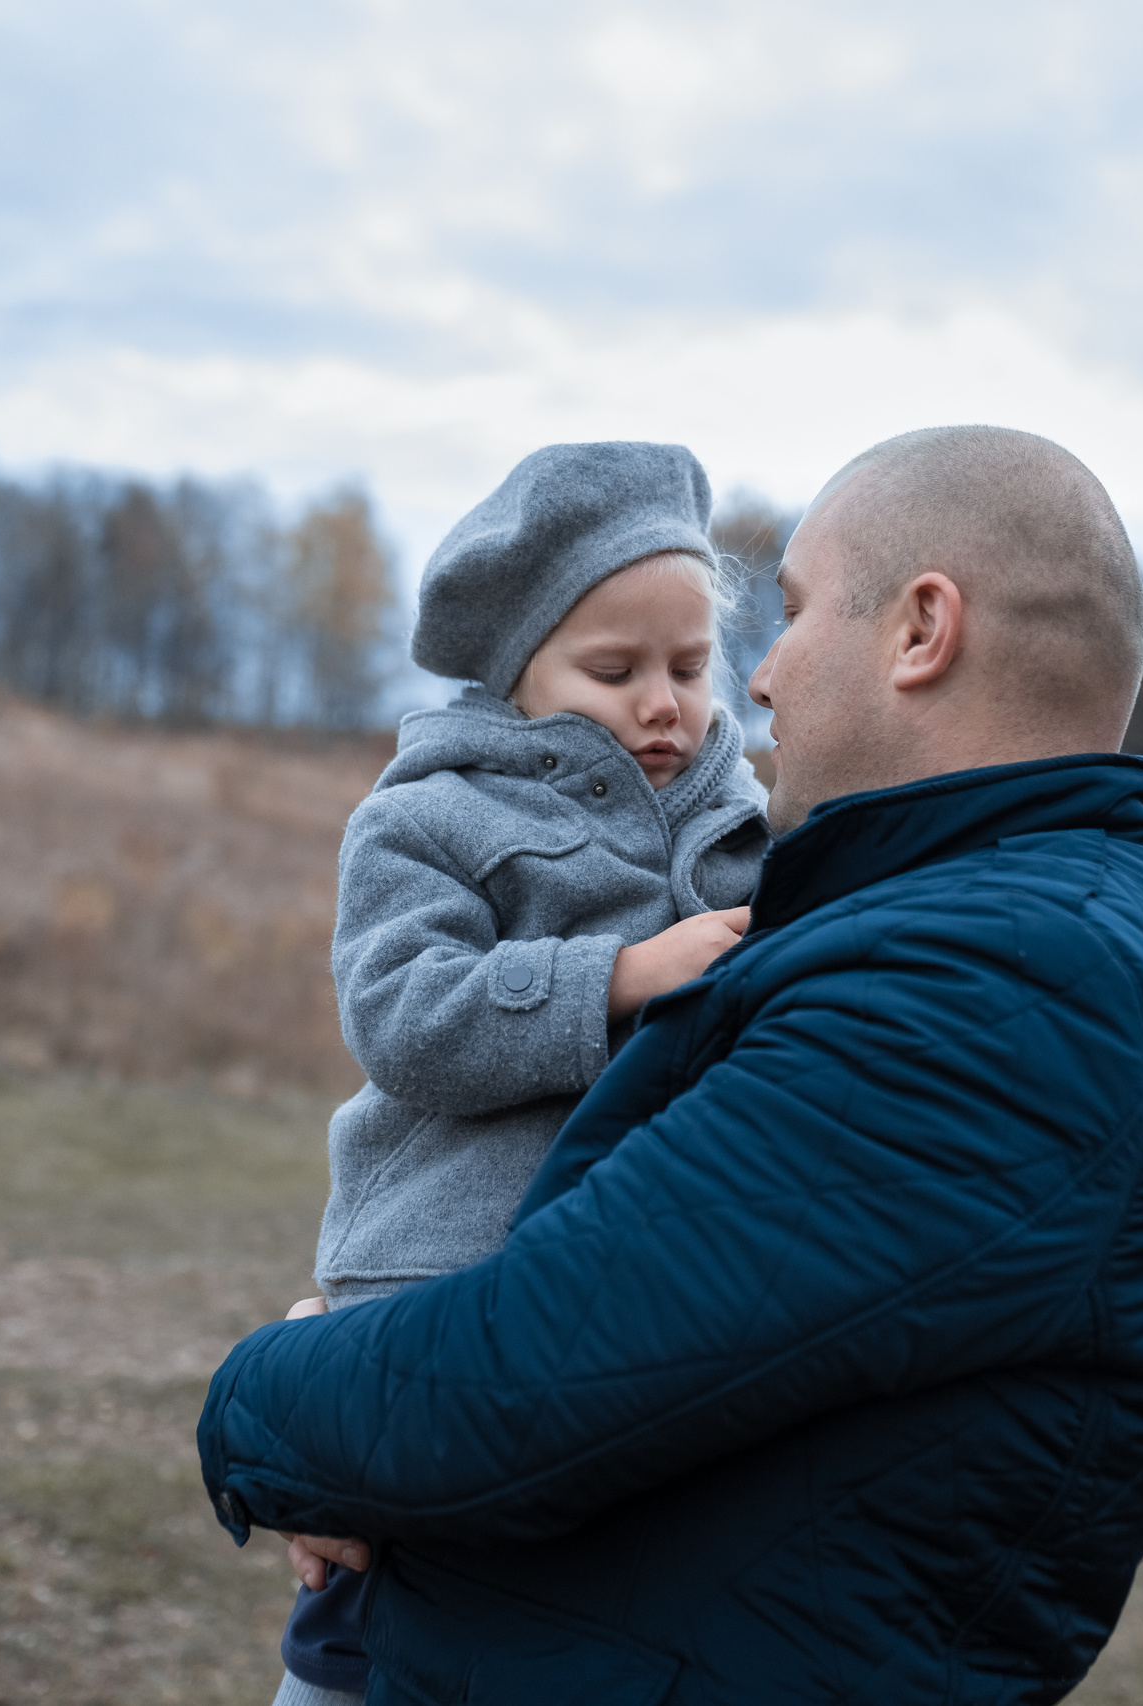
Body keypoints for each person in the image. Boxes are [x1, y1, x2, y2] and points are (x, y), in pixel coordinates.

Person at [202, 424, 1143, 1705]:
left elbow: (530, 1375)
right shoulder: (1009, 924)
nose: (756, 681)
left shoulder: (995, 982)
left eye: (792, 612)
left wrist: (267, 1387)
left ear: (921, 630)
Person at [273, 440, 772, 1704]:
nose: (662, 704)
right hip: (437, 1267)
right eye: (613, 671)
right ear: (515, 671)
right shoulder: (428, 816)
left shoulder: (747, 824)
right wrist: (615, 977)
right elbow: (400, 1015)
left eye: (689, 666)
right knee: (370, 1604)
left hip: (642, 1294)